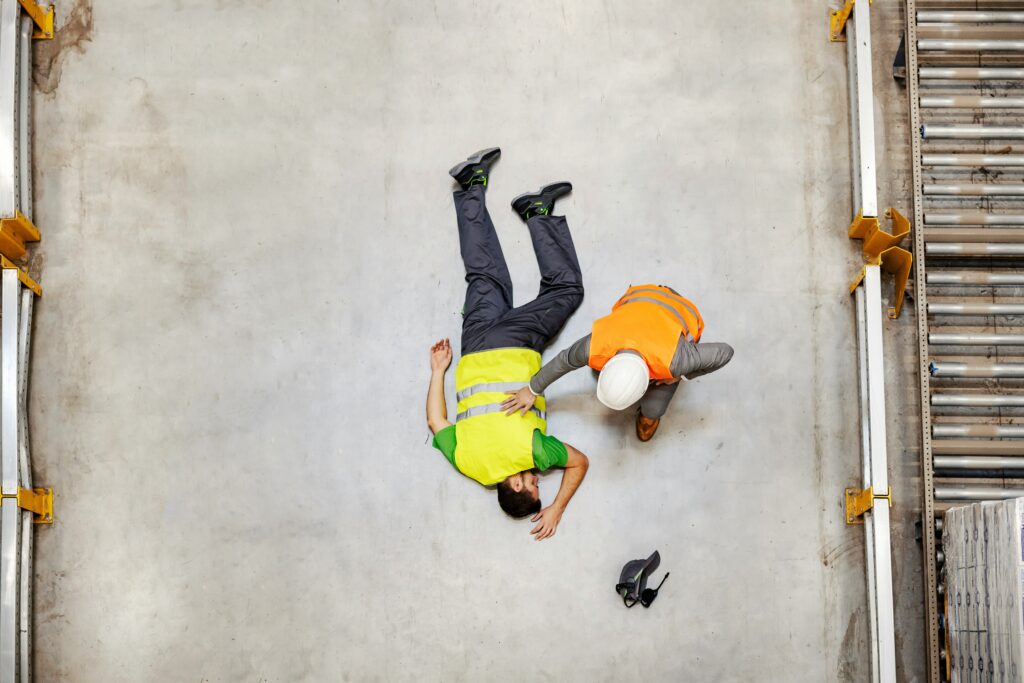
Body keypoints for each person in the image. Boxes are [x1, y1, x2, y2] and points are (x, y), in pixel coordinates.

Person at [425, 147, 589, 541]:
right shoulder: (469, 465)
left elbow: (580, 463)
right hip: (473, 347)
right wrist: (438, 372)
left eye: (534, 486)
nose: (537, 480)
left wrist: (556, 509)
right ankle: (470, 184)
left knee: (567, 290)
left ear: (516, 486)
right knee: (484, 273)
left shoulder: (532, 454)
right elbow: (436, 421)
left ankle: (537, 213)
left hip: (513, 345)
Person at [501, 284, 733, 442]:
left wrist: (680, 376)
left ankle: (650, 415)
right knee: (591, 363)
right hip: (642, 294)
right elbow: (563, 360)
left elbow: (725, 352)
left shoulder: (675, 360)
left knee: (653, 408)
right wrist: (532, 389)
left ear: (647, 384)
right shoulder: (596, 346)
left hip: (679, 309)